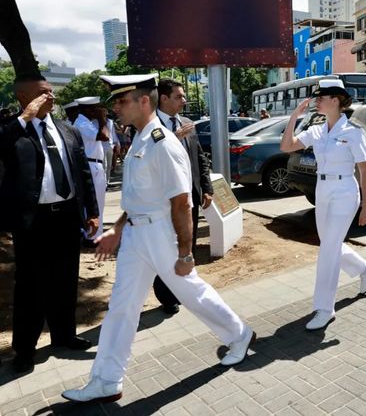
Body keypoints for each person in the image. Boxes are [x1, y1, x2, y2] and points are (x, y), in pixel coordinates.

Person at [62, 73, 254, 403]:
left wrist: (185, 252)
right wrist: (117, 228)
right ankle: (106, 380)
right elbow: (139, 198)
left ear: (144, 101)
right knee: (121, 307)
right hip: (137, 236)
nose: (116, 108)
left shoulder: (162, 144)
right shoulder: (138, 139)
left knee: (192, 293)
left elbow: (181, 202)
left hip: (161, 235)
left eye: (122, 101)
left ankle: (239, 334)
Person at [0, 74, 99, 373]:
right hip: (33, 220)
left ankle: (64, 334)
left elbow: (83, 173)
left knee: (66, 278)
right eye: (43, 93)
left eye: (51, 91)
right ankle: (25, 350)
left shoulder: (68, 130)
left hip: (67, 215)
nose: (51, 96)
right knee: (30, 285)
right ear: (24, 97)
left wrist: (91, 211)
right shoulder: (13, 130)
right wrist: (24, 119)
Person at [280, 79, 366, 331]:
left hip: (345, 191)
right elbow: (287, 146)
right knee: (330, 245)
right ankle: (364, 268)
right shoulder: (317, 130)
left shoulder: (353, 131)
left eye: (322, 97)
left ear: (336, 100)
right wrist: (294, 118)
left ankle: (324, 308)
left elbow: (365, 170)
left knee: (328, 250)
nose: (317, 101)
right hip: (322, 190)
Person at [153, 78, 214, 315]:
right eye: (179, 96)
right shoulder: (150, 125)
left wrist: (206, 188)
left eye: (184, 96)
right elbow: (149, 157)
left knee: (187, 247)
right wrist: (174, 138)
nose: (184, 101)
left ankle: (184, 289)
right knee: (166, 249)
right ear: (164, 98)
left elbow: (200, 158)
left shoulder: (188, 122)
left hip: (189, 198)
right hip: (164, 201)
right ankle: (166, 297)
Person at [73, 96, 109, 242]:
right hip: (91, 164)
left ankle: (93, 235)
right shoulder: (82, 123)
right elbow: (104, 136)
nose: (97, 111)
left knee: (98, 201)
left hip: (95, 164)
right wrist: (102, 119)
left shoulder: (86, 121)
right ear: (87, 109)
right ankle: (92, 237)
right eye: (95, 108)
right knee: (95, 203)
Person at [101, 110, 120, 186]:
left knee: (109, 165)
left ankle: (107, 182)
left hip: (110, 145)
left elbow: (113, 133)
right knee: (104, 165)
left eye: (105, 112)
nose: (104, 113)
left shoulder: (110, 122)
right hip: (101, 146)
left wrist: (117, 143)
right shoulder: (96, 121)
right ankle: (103, 183)